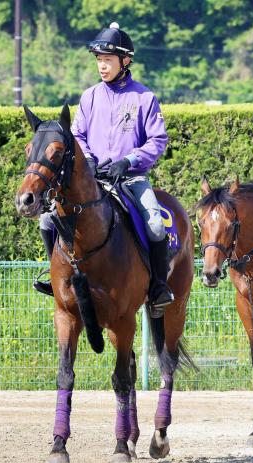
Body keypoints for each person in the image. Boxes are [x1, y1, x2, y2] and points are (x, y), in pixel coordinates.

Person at [35, 22, 174, 309]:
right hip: (93, 179)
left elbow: (158, 140)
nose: (102, 66)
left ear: (126, 61)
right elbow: (78, 136)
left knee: (156, 226)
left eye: (108, 60)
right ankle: (55, 277)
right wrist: (88, 160)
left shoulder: (145, 98)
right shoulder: (89, 97)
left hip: (131, 179)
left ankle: (159, 288)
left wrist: (129, 160)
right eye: (99, 60)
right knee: (47, 219)